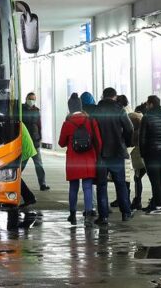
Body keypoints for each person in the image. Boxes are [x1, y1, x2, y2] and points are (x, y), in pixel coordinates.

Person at [89, 87, 134, 224]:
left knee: (101, 185)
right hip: (117, 151)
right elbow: (130, 128)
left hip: (100, 153)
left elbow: (91, 131)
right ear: (115, 97)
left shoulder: (95, 111)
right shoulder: (120, 110)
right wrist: (125, 143)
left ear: (103, 96)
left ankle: (103, 216)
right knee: (120, 184)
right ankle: (126, 213)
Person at [58, 93, 101, 225]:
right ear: (81, 107)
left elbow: (61, 143)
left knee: (73, 188)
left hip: (73, 161)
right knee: (87, 187)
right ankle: (88, 214)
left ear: (70, 108)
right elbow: (98, 141)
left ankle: (72, 214)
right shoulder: (91, 121)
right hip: (88, 159)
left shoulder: (67, 123)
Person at [139, 95, 161, 214]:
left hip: (151, 153)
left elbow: (142, 139)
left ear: (151, 104)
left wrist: (143, 154)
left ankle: (158, 206)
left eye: (147, 104)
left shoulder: (147, 118)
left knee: (155, 180)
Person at [22, 92, 50, 191]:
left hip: (35, 141)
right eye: (30, 98)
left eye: (33, 99)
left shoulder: (36, 110)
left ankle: (42, 184)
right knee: (21, 165)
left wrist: (40, 137)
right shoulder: (21, 109)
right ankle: (15, 181)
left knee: (39, 165)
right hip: (25, 142)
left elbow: (39, 125)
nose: (31, 101)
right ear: (26, 99)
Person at [125, 98, 145, 210]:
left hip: (139, 158)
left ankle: (138, 200)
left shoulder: (135, 132)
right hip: (149, 156)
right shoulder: (145, 128)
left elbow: (130, 143)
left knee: (137, 178)